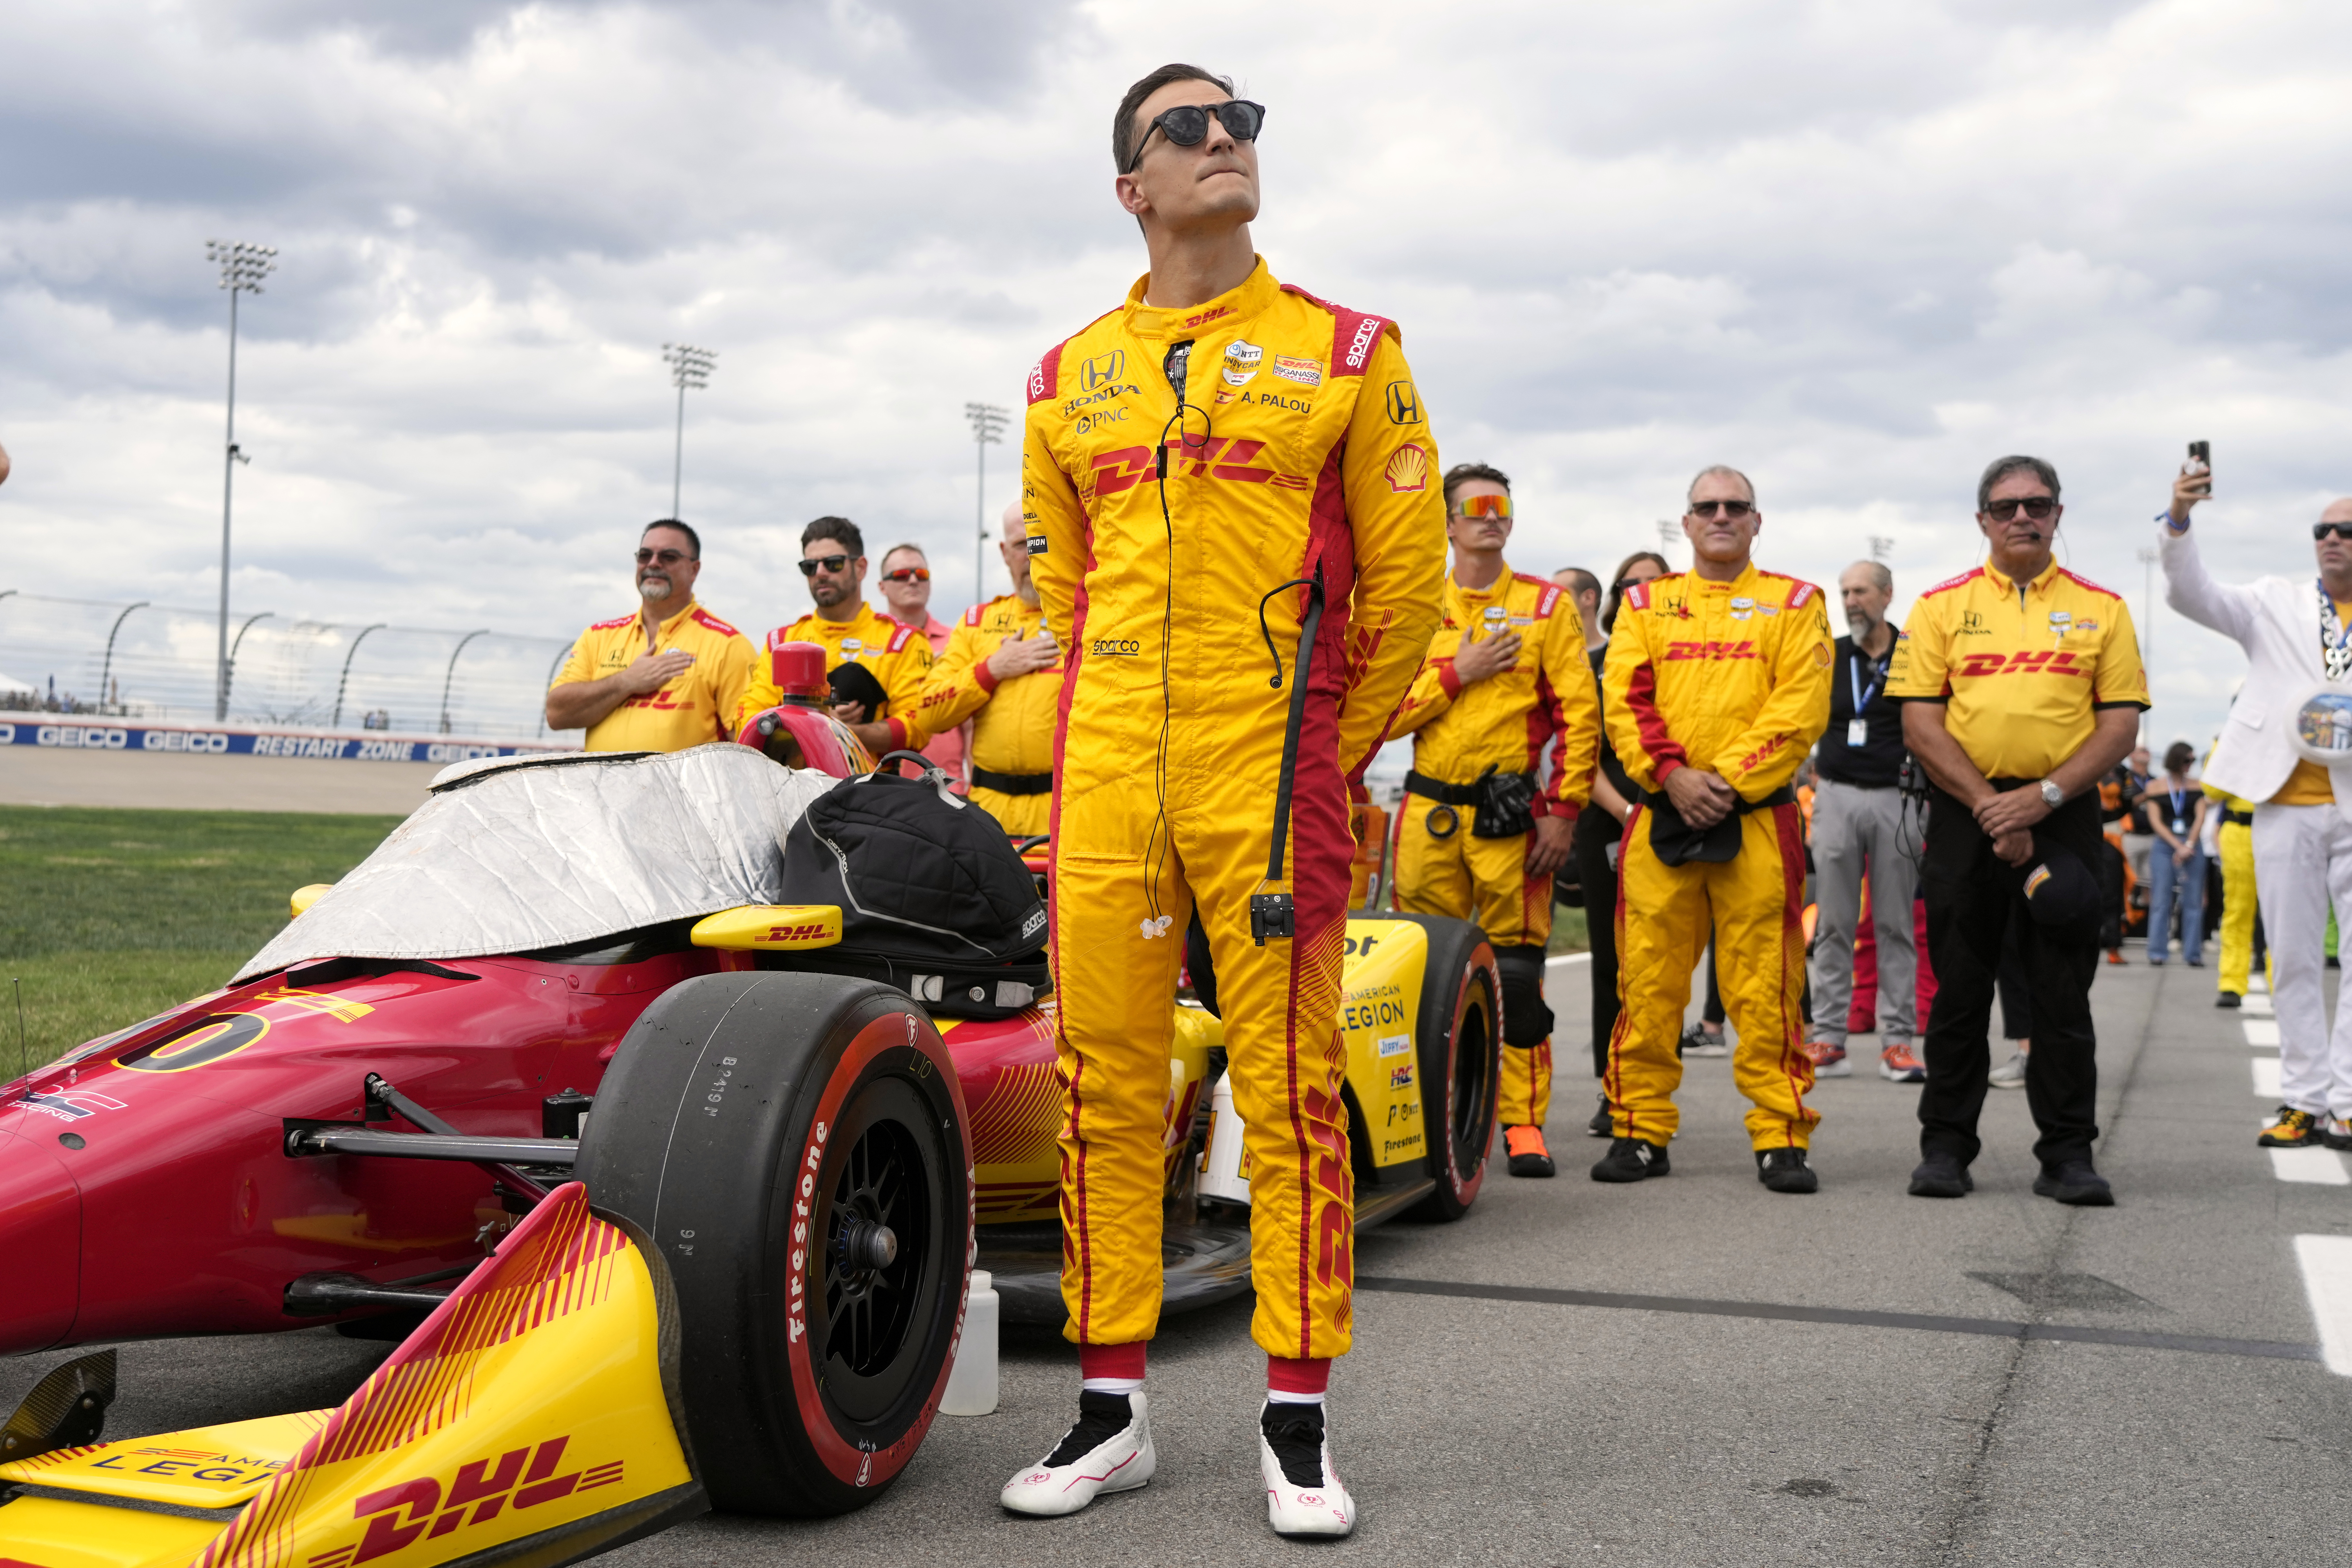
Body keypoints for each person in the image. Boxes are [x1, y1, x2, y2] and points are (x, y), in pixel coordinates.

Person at [1003, 63, 1444, 1536]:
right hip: (1112, 757)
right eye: (1183, 129)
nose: (1220, 141)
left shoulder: (1346, 347)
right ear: (1130, 187)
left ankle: (1297, 1415)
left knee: (1289, 1087)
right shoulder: (1065, 376)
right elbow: (1059, 587)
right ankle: (1109, 1402)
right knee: (1106, 1084)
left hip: (1271, 763)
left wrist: (1323, 743)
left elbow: (1407, 582)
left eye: (1237, 120)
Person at [1890, 455, 2145, 1204]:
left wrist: (2043, 796)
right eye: (2005, 508)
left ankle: (2066, 1154)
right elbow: (1918, 722)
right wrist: (1989, 804)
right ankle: (1944, 1146)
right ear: (1982, 522)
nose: (2021, 518)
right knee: (1960, 993)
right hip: (1965, 815)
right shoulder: (1939, 606)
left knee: (2061, 994)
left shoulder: (2104, 607)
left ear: (2058, 514)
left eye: (2036, 504)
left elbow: (2120, 724)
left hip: (2062, 813)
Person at [1595, 466, 1834, 1194]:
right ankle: (1637, 1128)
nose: (1722, 516)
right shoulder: (1645, 602)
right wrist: (1671, 776)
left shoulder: (1795, 602)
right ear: (1687, 523)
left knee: (1766, 985)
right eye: (1708, 507)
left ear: (1756, 522)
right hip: (1662, 817)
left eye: (1736, 506)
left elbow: (1799, 708)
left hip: (1757, 821)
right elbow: (1624, 697)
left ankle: (1780, 1134)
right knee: (1647, 980)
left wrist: (1725, 781)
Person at [1389, 463, 1600, 1179]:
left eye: (1501, 505)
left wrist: (1565, 811)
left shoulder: (1547, 605)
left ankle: (1522, 1121)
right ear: (1447, 522)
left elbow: (1580, 711)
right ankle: (1432, 1114)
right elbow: (1380, 711)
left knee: (1515, 974)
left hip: (1514, 820)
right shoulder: (1413, 600)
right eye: (1475, 507)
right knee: (1421, 974)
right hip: (1427, 814)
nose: (1490, 516)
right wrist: (1459, 671)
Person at [2159, 462, 2352, 1152]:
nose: (2331, 539)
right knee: (2294, 957)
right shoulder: (2274, 602)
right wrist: (2179, 521)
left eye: (2346, 531)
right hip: (2282, 803)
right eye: (2321, 529)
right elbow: (2191, 594)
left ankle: (2348, 1102)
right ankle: (2303, 1100)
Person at [1806, 560, 1926, 1082]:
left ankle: (1896, 1042)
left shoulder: (1914, 655)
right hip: (1833, 795)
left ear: (1886, 594)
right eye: (1844, 592)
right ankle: (1829, 1039)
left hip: (1896, 799)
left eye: (1859, 591)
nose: (1850, 600)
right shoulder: (1828, 656)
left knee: (1894, 923)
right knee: (1832, 923)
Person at [1572, 552, 1669, 1138]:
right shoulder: (1599, 661)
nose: (1640, 592)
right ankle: (1614, 1093)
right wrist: (1625, 811)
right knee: (1613, 962)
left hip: (1680, 814)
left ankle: (1653, 1090)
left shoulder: (1691, 655)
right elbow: (1580, 752)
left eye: (1654, 584)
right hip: (1611, 819)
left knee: (1663, 963)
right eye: (1628, 585)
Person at [913, 502, 1065, 835]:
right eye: (1019, 545)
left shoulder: (1086, 618)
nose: (1030, 554)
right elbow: (927, 713)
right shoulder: (976, 623)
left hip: (1066, 809)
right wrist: (991, 670)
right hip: (988, 815)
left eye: (1040, 540)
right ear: (1003, 552)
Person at [545, 519, 754, 751]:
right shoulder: (598, 636)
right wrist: (627, 682)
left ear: (694, 570)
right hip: (602, 788)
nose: (654, 564)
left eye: (669, 557)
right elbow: (557, 714)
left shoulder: (728, 644)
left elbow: (750, 745)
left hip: (687, 789)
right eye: (645, 556)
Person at [737, 517, 935, 759]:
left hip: (866, 791)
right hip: (789, 788)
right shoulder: (782, 641)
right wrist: (817, 724)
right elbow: (748, 719)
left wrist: (839, 731)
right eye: (810, 567)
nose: (820, 573)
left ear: (861, 568)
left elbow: (916, 729)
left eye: (833, 564)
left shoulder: (902, 640)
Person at [877, 542, 968, 784]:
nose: (913, 581)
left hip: (948, 791)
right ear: (881, 587)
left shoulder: (957, 642)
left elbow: (972, 726)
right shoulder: (871, 645)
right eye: (901, 575)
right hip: (883, 786)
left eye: (922, 574)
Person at [2144, 740, 2210, 966]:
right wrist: (2177, 846)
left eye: (2193, 760)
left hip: (2192, 844)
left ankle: (2193, 953)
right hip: (2165, 845)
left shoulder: (2197, 786)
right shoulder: (2155, 787)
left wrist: (2189, 844)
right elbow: (2155, 821)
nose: (2190, 764)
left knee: (2194, 901)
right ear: (2177, 760)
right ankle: (2157, 951)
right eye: (2187, 760)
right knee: (2161, 900)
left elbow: (2201, 816)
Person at [2207, 769, 2262, 1008]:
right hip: (2240, 828)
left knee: (2285, 915)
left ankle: (2285, 984)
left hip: (2284, 822)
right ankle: (2232, 982)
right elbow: (2212, 788)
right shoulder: (2234, 737)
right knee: (2237, 910)